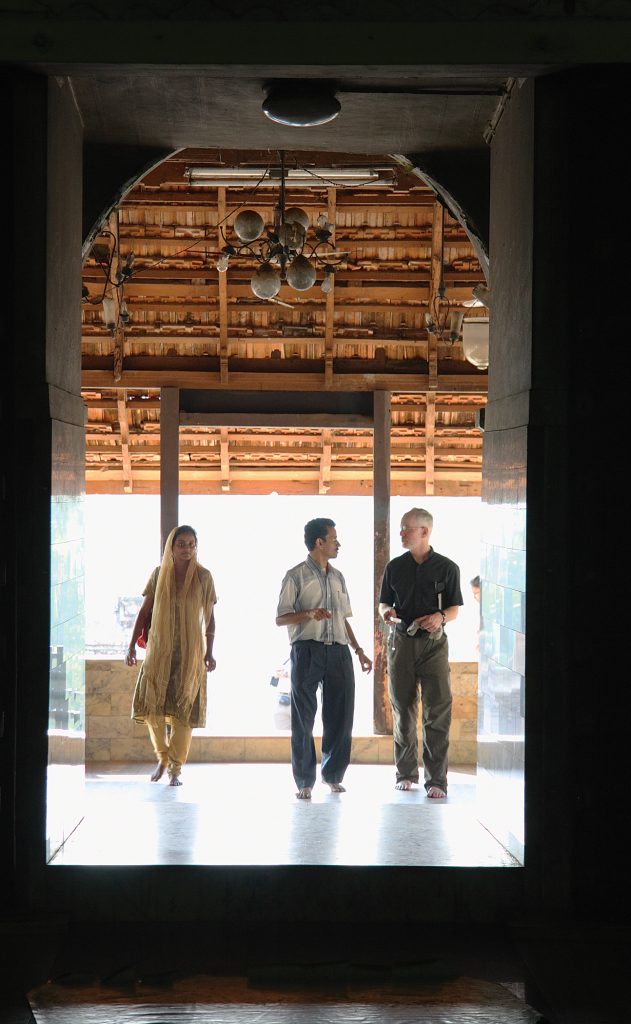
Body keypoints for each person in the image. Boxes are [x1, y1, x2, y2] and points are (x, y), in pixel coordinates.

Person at [276, 517, 372, 800]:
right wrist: (309, 614)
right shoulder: (295, 576)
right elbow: (280, 618)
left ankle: (332, 775)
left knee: (341, 717)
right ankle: (304, 781)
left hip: (339, 651)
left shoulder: (339, 576)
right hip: (307, 650)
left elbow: (343, 619)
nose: (338, 544)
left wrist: (359, 650)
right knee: (303, 718)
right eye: (334, 539)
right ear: (320, 542)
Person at [379, 508, 463, 798]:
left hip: (434, 644)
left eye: (407, 529)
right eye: (402, 528)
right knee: (403, 708)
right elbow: (383, 603)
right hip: (400, 642)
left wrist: (440, 616)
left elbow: (454, 609)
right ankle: (405, 773)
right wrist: (386, 612)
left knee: (437, 711)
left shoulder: (448, 568)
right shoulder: (394, 567)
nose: (402, 533)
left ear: (424, 532)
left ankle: (437, 780)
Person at [125, 525, 217, 786]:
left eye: (191, 544)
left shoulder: (204, 577)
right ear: (171, 547)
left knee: (184, 711)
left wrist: (210, 653)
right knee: (152, 706)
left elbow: (211, 619)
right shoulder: (158, 575)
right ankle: (163, 757)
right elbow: (144, 613)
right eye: (181, 544)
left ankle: (175, 768)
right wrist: (131, 646)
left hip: (191, 654)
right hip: (160, 651)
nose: (186, 549)